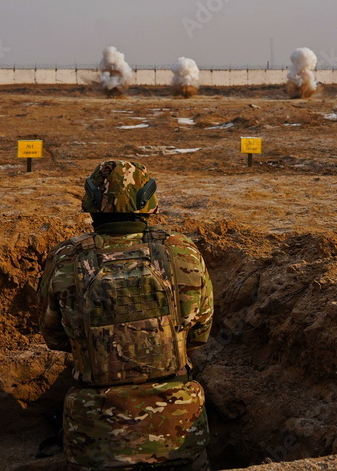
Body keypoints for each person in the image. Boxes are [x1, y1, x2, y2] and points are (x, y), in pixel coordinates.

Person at [37, 160, 214, 471]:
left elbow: (54, 337)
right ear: (149, 202)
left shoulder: (66, 258)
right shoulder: (182, 250)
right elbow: (200, 333)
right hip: (179, 431)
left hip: (96, 438)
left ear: (91, 203)